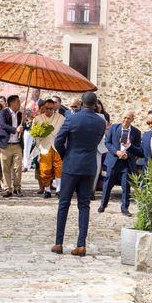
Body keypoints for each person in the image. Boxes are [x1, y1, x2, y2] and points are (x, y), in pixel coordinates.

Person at [52, 92, 106, 257]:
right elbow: (97, 142)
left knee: (64, 204)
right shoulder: (100, 121)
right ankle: (81, 244)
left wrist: (65, 155)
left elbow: (58, 141)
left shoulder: (72, 118)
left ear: (82, 103)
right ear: (96, 104)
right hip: (89, 165)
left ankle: (59, 243)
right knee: (84, 205)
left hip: (71, 164)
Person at [98, 110, 142, 216]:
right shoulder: (114, 128)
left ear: (132, 119)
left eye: (129, 118)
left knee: (126, 186)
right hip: (113, 160)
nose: (126, 120)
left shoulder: (136, 132)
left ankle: (125, 208)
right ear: (121, 117)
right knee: (108, 184)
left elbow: (138, 149)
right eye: (124, 117)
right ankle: (103, 205)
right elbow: (107, 143)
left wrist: (128, 155)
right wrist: (116, 152)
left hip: (126, 163)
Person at [32, 99, 65, 198]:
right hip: (44, 146)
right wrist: (39, 135)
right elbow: (34, 134)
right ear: (43, 108)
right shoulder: (37, 119)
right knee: (45, 169)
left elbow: (65, 131)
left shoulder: (61, 118)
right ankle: (47, 189)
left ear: (54, 108)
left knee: (59, 168)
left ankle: (59, 189)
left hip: (57, 147)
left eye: (51, 109)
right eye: (47, 108)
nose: (49, 111)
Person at [0, 94, 24, 198]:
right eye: (18, 101)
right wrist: (15, 129)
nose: (19, 103)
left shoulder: (21, 115)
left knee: (18, 168)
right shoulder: (3, 112)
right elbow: (3, 125)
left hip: (17, 144)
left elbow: (23, 128)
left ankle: (17, 188)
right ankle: (8, 189)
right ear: (12, 103)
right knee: (5, 168)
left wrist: (23, 126)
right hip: (5, 144)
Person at [21, 88, 41, 171]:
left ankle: (34, 162)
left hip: (39, 127)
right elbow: (21, 112)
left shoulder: (42, 103)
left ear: (39, 93)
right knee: (26, 146)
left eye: (37, 92)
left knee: (38, 147)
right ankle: (25, 165)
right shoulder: (26, 102)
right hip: (28, 127)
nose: (35, 93)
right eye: (34, 92)